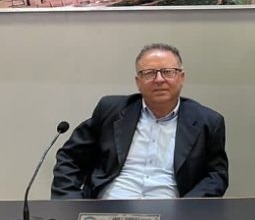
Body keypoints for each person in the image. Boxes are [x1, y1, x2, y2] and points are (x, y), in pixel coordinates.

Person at [51, 43, 228, 199]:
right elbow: (70, 158)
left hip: (171, 213)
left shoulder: (207, 122)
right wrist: (70, 202)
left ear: (181, 78)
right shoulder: (111, 110)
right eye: (149, 73)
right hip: (108, 211)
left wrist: (188, 208)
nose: (159, 79)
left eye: (168, 72)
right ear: (138, 82)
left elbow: (216, 176)